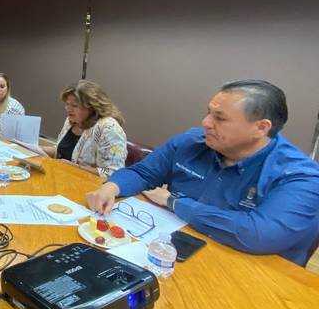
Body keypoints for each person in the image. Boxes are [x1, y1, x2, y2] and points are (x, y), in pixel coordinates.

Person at [85, 80, 319, 267]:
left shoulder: (301, 176)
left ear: (261, 127)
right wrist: (112, 187)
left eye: (220, 117)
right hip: (176, 252)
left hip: (256, 276)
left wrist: (175, 202)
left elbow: (258, 234)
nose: (205, 122)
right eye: (209, 113)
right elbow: (144, 173)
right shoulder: (191, 141)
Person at [42, 80, 127, 178]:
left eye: (75, 105)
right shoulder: (71, 120)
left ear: (92, 107)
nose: (68, 109)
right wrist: (38, 148)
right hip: (63, 177)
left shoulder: (109, 128)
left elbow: (113, 173)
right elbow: (62, 151)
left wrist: (76, 168)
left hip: (90, 185)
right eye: (67, 104)